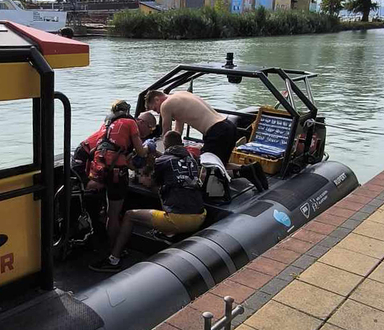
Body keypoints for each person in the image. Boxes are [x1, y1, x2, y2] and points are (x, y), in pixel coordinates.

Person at [89, 131, 206, 273]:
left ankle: (113, 260)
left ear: (165, 145)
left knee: (129, 215)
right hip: (200, 216)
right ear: (181, 144)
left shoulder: (162, 161)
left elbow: (149, 182)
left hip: (179, 220)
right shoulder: (192, 159)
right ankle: (168, 233)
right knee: (171, 190)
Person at [70, 100, 151, 251]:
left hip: (96, 164)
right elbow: (139, 153)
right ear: (141, 121)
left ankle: (101, 238)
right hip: (95, 163)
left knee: (104, 206)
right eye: (150, 128)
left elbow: (115, 155)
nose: (149, 132)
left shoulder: (109, 125)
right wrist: (149, 148)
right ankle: (113, 250)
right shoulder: (130, 124)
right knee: (112, 213)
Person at [144, 90, 263, 186]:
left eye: (155, 108)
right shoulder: (179, 95)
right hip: (227, 126)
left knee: (206, 168)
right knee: (221, 163)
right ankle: (250, 169)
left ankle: (207, 197)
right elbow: (177, 132)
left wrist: (163, 158)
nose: (158, 112)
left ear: (157, 99)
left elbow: (166, 133)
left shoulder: (165, 105)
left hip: (216, 131)